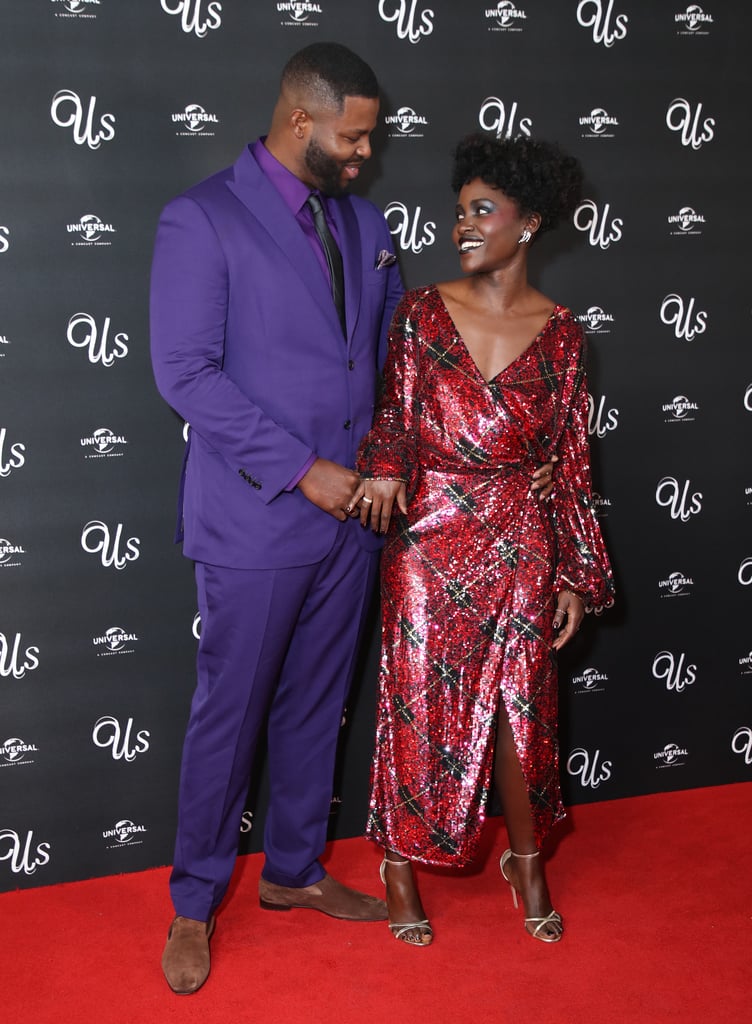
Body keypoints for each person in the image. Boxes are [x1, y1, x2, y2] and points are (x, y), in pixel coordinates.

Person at [151, 44, 556, 992]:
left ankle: (292, 872)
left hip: (355, 523)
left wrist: (500, 464)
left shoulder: (366, 224)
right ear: (302, 121)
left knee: (315, 707)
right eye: (355, 135)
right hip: (258, 518)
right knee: (231, 715)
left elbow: (389, 373)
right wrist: (304, 472)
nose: (366, 154)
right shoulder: (201, 219)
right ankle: (193, 900)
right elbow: (185, 375)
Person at [356, 134, 615, 946]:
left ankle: (527, 860)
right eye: (459, 210)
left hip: (522, 538)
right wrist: (389, 472)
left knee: (520, 711)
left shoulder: (565, 336)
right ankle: (399, 862)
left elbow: (571, 460)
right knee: (415, 703)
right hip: (431, 535)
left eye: (481, 210)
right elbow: (395, 418)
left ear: (529, 223)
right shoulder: (422, 312)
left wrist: (574, 568)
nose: (462, 225)